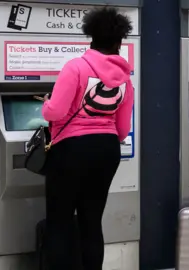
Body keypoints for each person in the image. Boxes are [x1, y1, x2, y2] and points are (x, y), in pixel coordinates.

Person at [41, 7, 134, 270]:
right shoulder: (125, 80)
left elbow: (56, 111)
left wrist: (46, 105)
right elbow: (123, 129)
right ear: (118, 42)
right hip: (106, 150)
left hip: (71, 150)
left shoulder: (76, 68)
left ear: (90, 37)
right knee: (91, 222)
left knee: (59, 221)